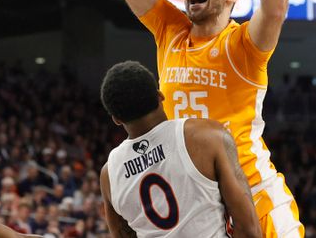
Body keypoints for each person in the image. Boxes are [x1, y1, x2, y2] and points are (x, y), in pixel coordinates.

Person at [105, 0, 302, 237]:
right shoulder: (170, 29)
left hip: (253, 190)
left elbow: (275, 9)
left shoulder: (242, 44)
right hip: (198, 200)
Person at [99, 61, 261, 238]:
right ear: (160, 95)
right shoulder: (207, 136)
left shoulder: (109, 175)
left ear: (116, 119)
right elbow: (248, 229)